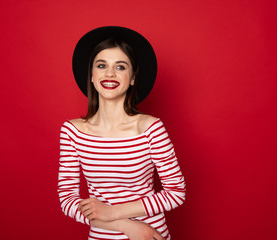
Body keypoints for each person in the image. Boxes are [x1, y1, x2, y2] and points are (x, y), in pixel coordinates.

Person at [58, 26, 186, 240]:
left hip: (151, 234)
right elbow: (67, 198)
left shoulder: (150, 128)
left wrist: (113, 212)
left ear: (133, 78)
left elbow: (176, 192)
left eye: (120, 67)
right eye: (101, 65)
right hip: (107, 235)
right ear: (91, 75)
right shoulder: (73, 131)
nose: (110, 73)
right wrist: (126, 226)